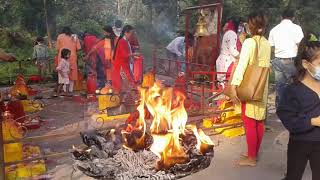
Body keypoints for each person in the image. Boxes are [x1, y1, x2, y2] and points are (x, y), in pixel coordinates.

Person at [228, 11, 271, 166]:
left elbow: (242, 66)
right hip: (261, 86)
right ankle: (253, 152)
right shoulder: (266, 43)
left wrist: (234, 86)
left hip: (249, 86)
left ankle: (251, 158)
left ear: (250, 26)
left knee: (249, 120)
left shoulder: (249, 43)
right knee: (259, 120)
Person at [277, 37, 320, 180]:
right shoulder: (293, 90)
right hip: (300, 141)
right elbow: (287, 117)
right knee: (294, 175)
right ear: (306, 64)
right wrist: (312, 121)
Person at [268, 9, 304, 108]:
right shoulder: (297, 28)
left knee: (280, 85)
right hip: (292, 60)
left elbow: (271, 47)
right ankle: (294, 106)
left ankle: (281, 106)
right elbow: (301, 44)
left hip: (278, 60)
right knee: (295, 84)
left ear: (281, 17)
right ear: (293, 17)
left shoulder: (274, 29)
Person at [112, 25, 138, 93]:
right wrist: (134, 54)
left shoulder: (125, 41)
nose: (132, 35)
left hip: (124, 64)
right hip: (121, 65)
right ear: (126, 32)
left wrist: (132, 56)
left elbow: (126, 53)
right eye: (131, 33)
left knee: (129, 81)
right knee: (127, 81)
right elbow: (124, 55)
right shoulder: (122, 41)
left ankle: (125, 96)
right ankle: (125, 97)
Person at [56, 26, 81, 94]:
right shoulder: (75, 36)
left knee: (63, 72)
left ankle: (64, 89)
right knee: (72, 72)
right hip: (72, 56)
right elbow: (78, 48)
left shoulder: (60, 36)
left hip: (62, 56)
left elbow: (58, 48)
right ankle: (70, 89)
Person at [216, 17, 241, 84]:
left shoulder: (229, 33)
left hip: (225, 60)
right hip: (228, 61)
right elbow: (232, 49)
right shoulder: (231, 34)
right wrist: (240, 57)